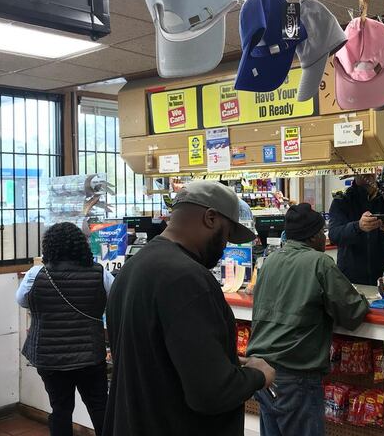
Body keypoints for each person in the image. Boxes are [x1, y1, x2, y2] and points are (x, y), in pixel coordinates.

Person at [104, 181, 275, 436]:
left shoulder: (134, 267)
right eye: (226, 235)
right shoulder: (188, 278)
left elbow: (152, 355)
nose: (224, 246)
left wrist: (220, 359)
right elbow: (211, 393)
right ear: (210, 218)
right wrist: (258, 375)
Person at [247, 203, 369, 436]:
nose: (325, 238)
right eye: (323, 233)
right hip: (296, 376)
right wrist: (363, 298)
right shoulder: (319, 263)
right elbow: (352, 313)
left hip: (262, 372)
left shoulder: (270, 261)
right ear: (314, 236)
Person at [16, 222, 112, 436]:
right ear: (81, 245)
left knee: (60, 409)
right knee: (99, 407)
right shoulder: (99, 273)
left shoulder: (36, 274)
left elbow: (22, 301)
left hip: (50, 356)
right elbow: (115, 298)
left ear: (49, 247)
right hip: (90, 355)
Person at [328, 174, 384, 285]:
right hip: (351, 278)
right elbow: (334, 235)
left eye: (370, 169)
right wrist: (358, 226)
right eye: (362, 170)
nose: (367, 173)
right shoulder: (342, 200)